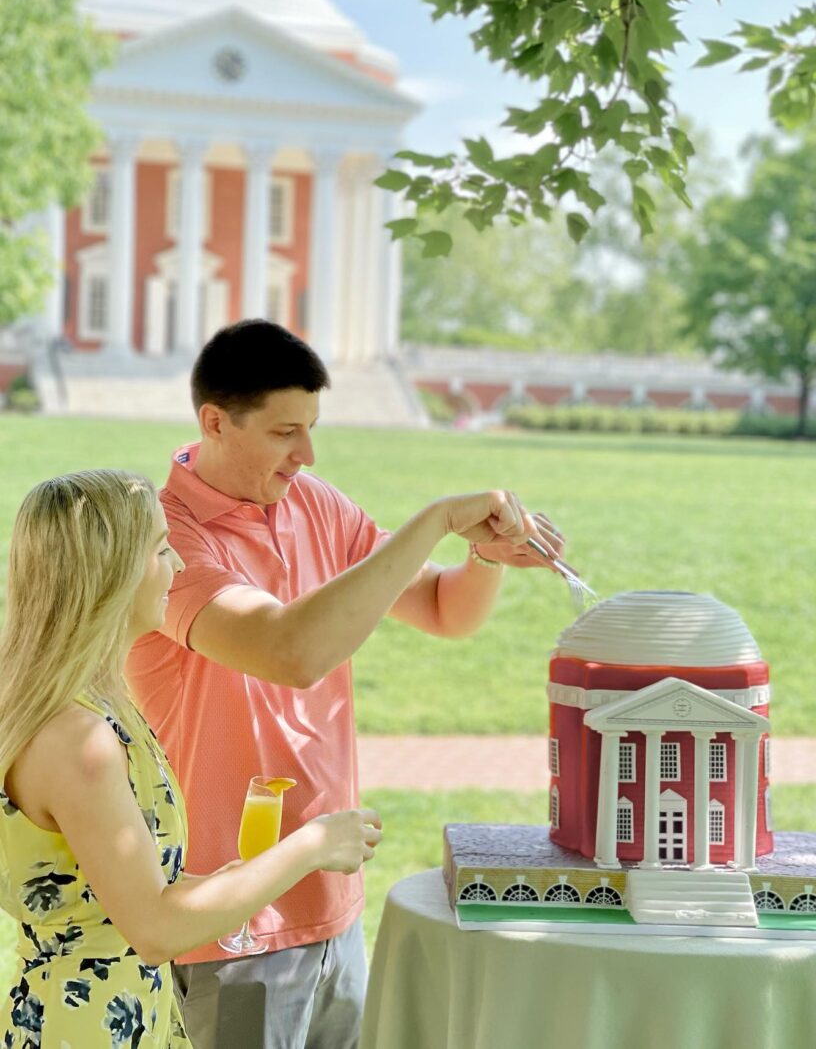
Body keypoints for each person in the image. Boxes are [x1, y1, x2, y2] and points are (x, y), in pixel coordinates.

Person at [126, 320, 564, 1049]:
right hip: (230, 915)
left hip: (330, 888)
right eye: (284, 432)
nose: (307, 455)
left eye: (313, 429)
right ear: (214, 422)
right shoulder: (164, 539)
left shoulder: (315, 505)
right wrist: (431, 522)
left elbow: (441, 611)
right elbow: (288, 651)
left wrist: (481, 556)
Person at [0, 470, 384, 1048]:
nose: (178, 565)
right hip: (92, 1029)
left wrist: (229, 881)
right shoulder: (78, 739)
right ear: (111, 573)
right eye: (160, 548)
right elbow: (154, 928)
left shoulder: (87, 701)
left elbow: (113, 892)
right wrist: (310, 847)